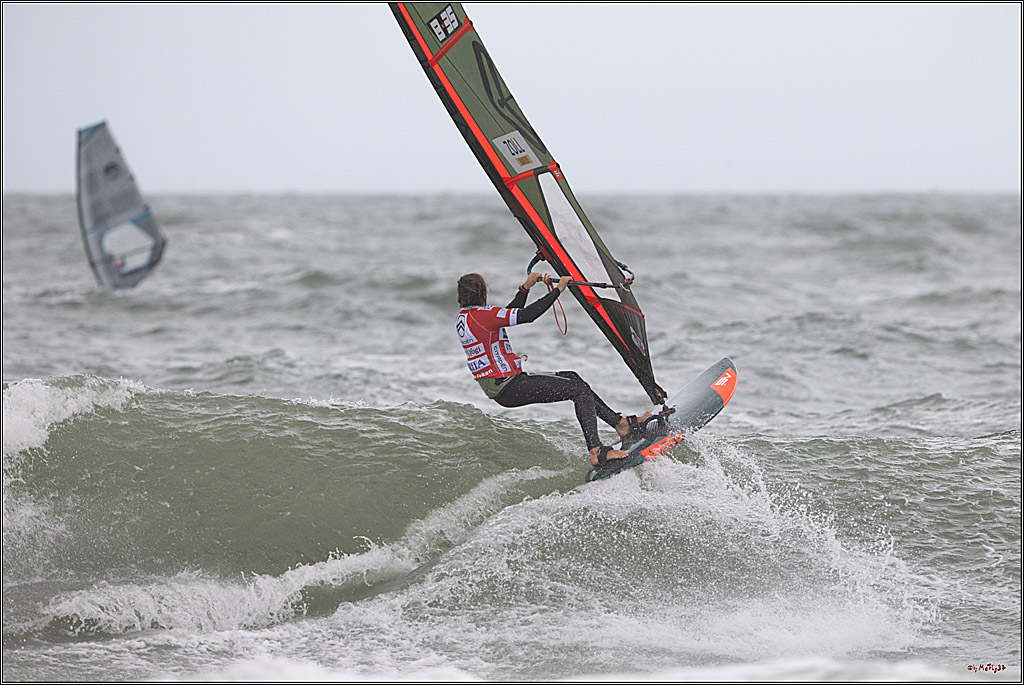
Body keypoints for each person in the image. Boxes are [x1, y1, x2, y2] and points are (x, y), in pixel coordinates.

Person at [455, 271, 650, 467]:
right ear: (483, 294)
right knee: (578, 390)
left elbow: (506, 316)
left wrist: (525, 288)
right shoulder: (484, 315)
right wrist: (558, 290)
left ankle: (621, 424)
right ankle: (596, 451)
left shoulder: (465, 318)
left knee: (573, 378)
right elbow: (527, 316)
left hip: (504, 386)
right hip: (509, 386)